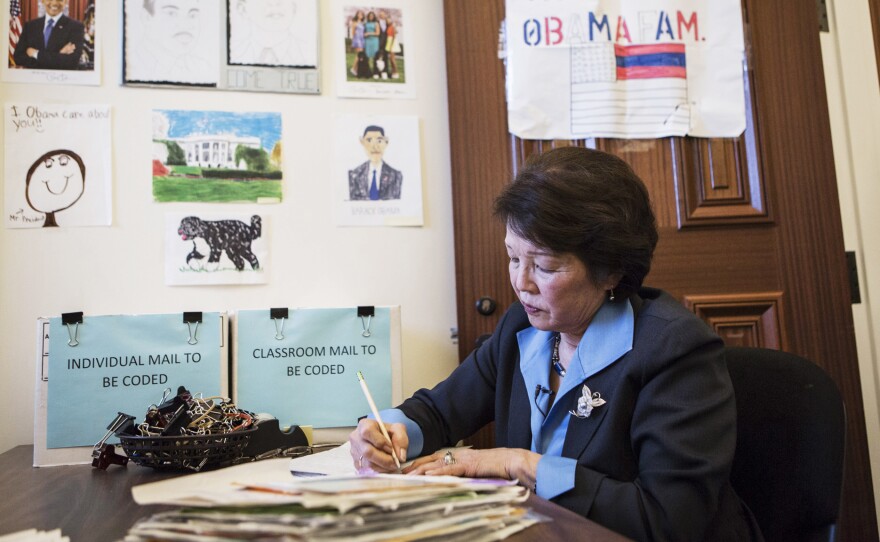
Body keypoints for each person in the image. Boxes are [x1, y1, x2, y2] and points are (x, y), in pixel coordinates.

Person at [349, 147, 764, 541]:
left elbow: (667, 521)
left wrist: (518, 464)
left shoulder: (674, 350)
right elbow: (440, 411)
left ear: (611, 271)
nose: (521, 283)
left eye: (544, 266)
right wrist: (391, 430)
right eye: (513, 258)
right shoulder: (522, 329)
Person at [125, 0, 216, 85]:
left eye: (192, 15)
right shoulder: (132, 66)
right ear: (147, 18)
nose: (185, 24)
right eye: (171, 13)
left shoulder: (203, 68)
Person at [228, 0, 316, 68]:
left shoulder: (309, 53)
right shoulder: (234, 54)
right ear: (243, 9)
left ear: (294, 6)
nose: (275, 2)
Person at [12, 0, 85, 70]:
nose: (54, 3)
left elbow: (71, 62)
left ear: (65, 2)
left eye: (59, 0)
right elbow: (18, 57)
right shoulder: (30, 26)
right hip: (33, 80)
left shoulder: (76, 27)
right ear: (43, 1)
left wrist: (36, 54)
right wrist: (58, 55)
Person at [348, 125, 402, 201]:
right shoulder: (354, 175)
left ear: (386, 142)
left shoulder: (396, 176)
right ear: (362, 142)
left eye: (379, 141)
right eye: (369, 140)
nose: (374, 147)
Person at [363, 11, 380, 78]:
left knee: (375, 57)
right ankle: (367, 72)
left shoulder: (376, 23)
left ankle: (376, 73)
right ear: (368, 16)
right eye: (370, 16)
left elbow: (377, 33)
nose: (371, 17)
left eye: (372, 16)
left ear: (374, 17)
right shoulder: (366, 23)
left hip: (374, 41)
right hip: (367, 41)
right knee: (367, 57)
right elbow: (363, 32)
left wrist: (369, 33)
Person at [348, 10, 365, 76]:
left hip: (362, 40)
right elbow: (353, 32)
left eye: (361, 14)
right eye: (359, 14)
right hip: (357, 39)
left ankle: (356, 69)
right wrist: (353, 41)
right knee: (359, 55)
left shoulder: (362, 23)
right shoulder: (354, 22)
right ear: (357, 15)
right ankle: (353, 68)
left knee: (361, 55)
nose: (360, 15)